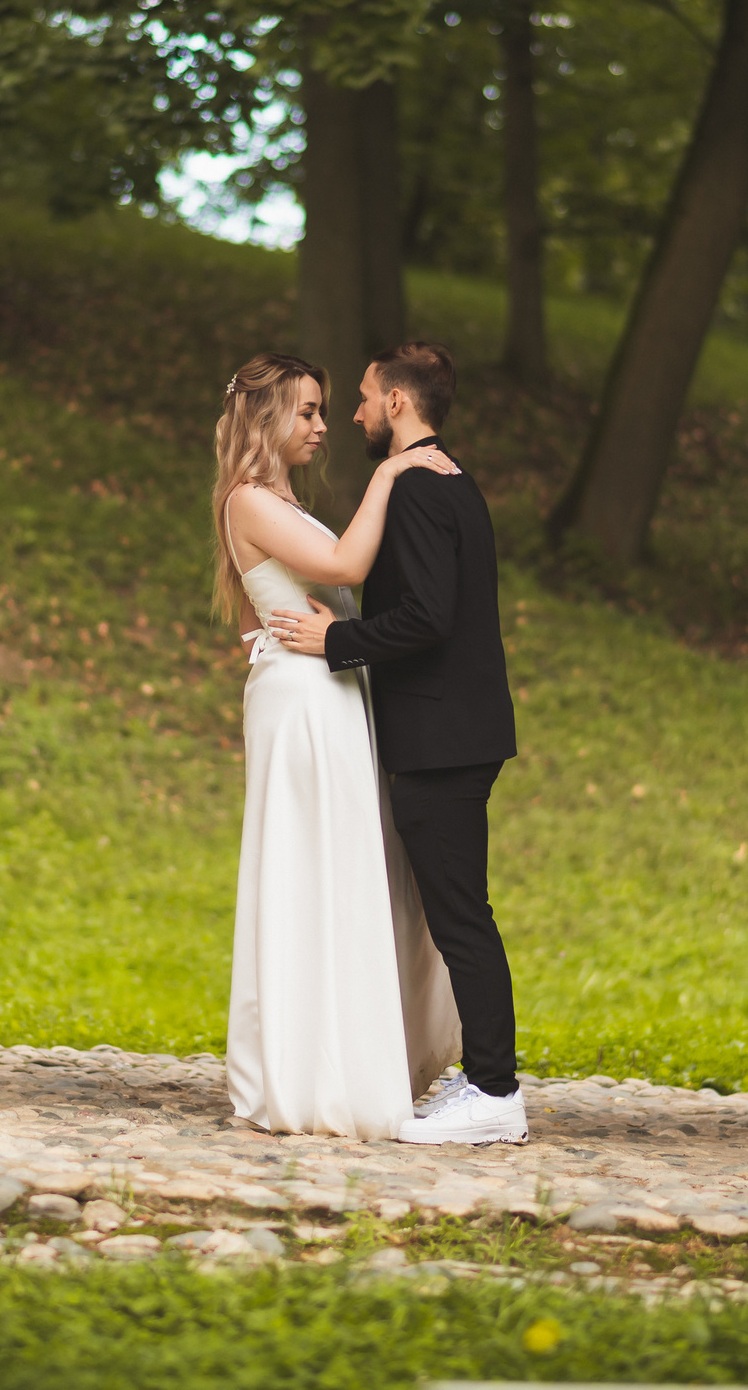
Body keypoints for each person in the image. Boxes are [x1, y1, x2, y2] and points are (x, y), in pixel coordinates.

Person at [267, 341, 526, 1146]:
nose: (354, 413)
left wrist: (336, 641)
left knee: (460, 918)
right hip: (458, 730)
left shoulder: (416, 488)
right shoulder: (449, 478)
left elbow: (428, 617)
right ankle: (482, 1078)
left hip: (441, 737)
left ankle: (495, 1093)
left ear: (399, 405)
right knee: (456, 914)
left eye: (367, 398)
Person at [212, 352, 464, 1140]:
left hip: (328, 691)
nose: (323, 425)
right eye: (308, 411)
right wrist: (394, 474)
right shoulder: (248, 499)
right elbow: (349, 563)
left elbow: (272, 609)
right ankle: (309, 1071)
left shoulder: (277, 502)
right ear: (267, 418)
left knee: (347, 866)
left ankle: (357, 1054)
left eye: (327, 409)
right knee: (310, 870)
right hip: (305, 704)